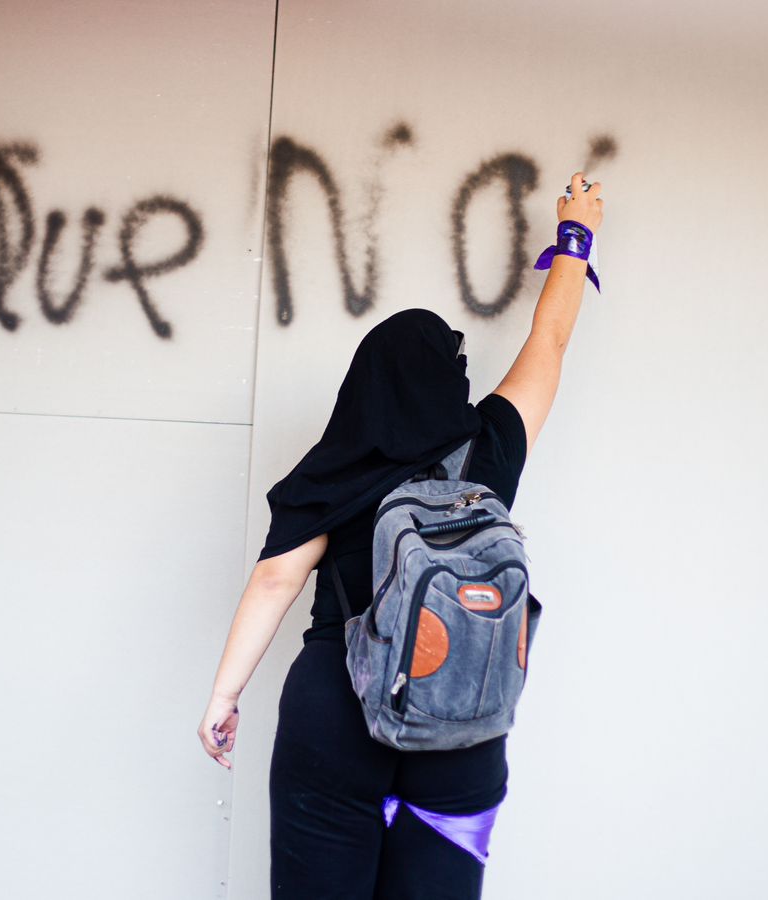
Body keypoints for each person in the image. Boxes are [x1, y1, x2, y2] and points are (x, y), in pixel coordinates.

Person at [198, 171, 603, 898]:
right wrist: (576, 235)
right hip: (463, 725)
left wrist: (224, 698)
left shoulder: (333, 466)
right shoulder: (491, 447)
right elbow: (552, 337)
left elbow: (275, 580)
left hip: (335, 716)